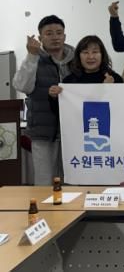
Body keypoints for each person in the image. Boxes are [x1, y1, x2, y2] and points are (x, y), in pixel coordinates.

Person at [13, 15, 74, 184]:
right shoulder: (34, 59)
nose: (55, 37)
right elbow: (22, 85)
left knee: (72, 181)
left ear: (64, 36)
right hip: (42, 132)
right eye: (49, 33)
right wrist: (31, 56)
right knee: (45, 183)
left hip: (73, 132)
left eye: (59, 33)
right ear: (40, 38)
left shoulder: (76, 60)